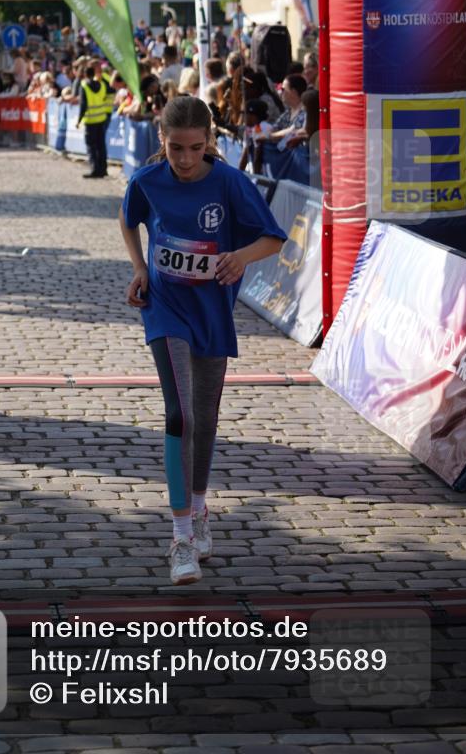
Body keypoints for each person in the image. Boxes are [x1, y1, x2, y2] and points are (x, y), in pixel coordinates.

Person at [118, 96, 286, 585]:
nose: (185, 159)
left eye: (195, 148)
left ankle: (198, 506)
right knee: (181, 413)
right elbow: (128, 220)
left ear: (209, 142)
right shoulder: (146, 181)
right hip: (165, 308)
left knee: (207, 420)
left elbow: (273, 238)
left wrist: (241, 256)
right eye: (175, 149)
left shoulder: (230, 182)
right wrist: (139, 268)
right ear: (161, 141)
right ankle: (180, 537)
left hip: (212, 312)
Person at [77, 62, 116, 178]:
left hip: (90, 121)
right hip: (101, 118)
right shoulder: (102, 85)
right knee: (101, 145)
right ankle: (103, 169)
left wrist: (79, 120)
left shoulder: (84, 85)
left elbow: (83, 104)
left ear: (85, 74)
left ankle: (95, 169)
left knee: (91, 146)